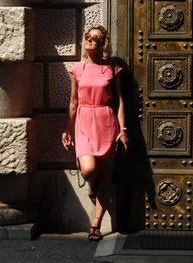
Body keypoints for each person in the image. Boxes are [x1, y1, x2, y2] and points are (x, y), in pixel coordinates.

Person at [61, 25, 128, 241]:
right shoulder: (77, 69)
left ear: (103, 43)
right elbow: (73, 101)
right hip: (84, 122)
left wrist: (123, 130)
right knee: (89, 170)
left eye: (96, 38)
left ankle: (95, 225)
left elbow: (118, 101)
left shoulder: (112, 69)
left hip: (106, 121)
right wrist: (67, 128)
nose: (90, 41)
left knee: (106, 175)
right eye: (88, 37)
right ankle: (92, 184)